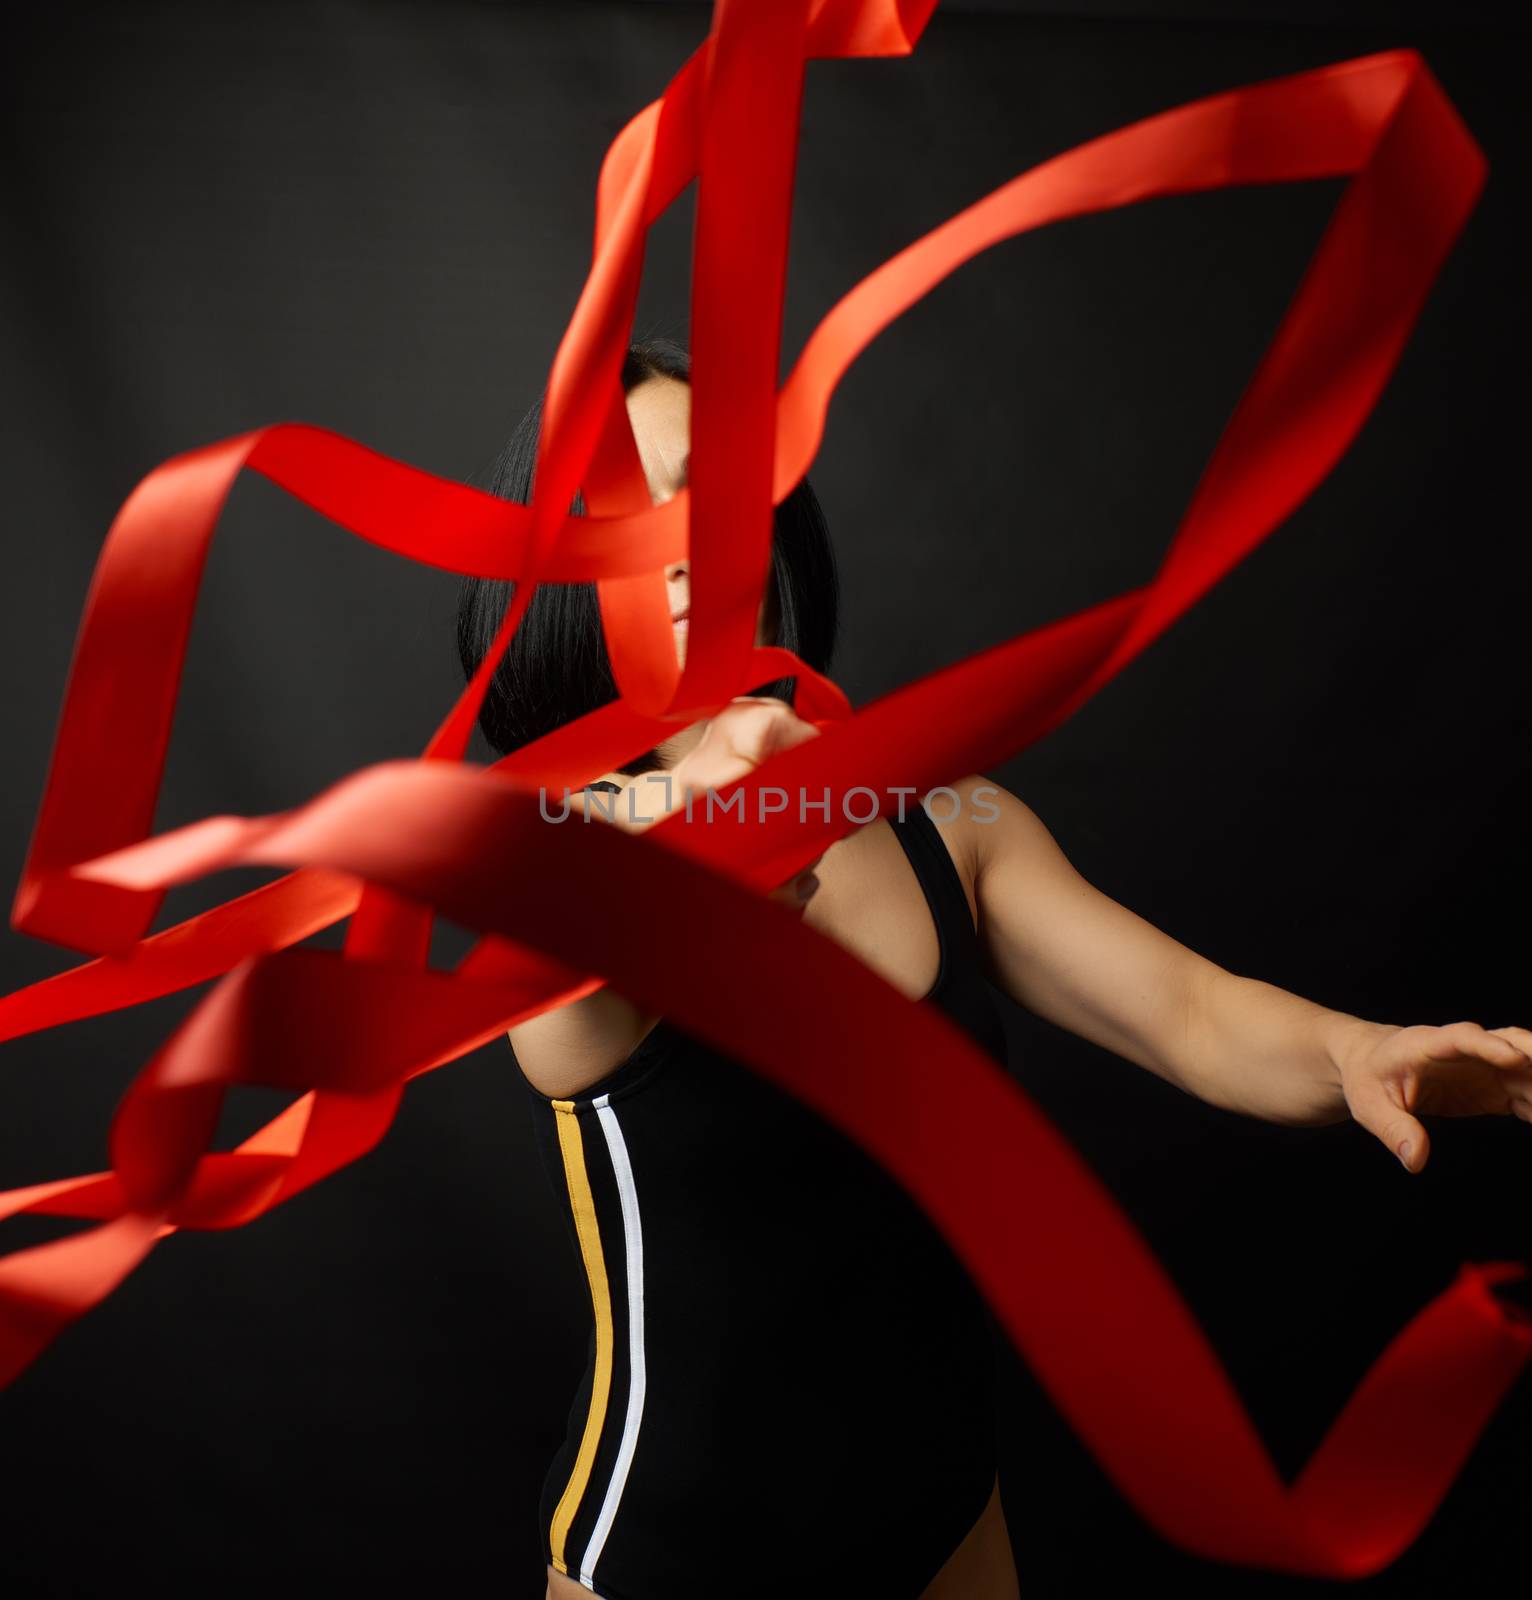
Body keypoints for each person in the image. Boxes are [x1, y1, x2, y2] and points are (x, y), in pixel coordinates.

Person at [456, 336, 1532, 1600]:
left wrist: (1356, 1050)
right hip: (681, 1561)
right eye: (619, 507)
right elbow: (552, 883)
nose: (679, 534)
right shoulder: (558, 860)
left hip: (946, 1530)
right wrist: (686, 811)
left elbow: (1188, 1013)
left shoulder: (945, 827)